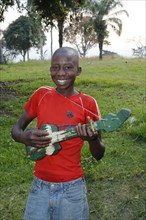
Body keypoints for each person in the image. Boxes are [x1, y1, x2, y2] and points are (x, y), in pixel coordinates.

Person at [11, 46, 105, 220]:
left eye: (68, 67)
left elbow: (99, 153)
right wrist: (24, 137)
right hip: (39, 187)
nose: (60, 73)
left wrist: (92, 139)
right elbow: (16, 129)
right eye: (55, 67)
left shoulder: (88, 104)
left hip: (72, 189)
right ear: (50, 70)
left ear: (79, 71)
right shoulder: (41, 95)